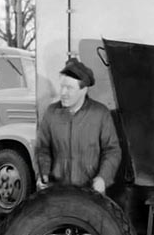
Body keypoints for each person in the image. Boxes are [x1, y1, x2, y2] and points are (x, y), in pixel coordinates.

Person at [35, 58, 121, 193]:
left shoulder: (100, 114)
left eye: (69, 88)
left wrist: (102, 178)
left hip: (90, 194)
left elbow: (112, 151)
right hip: (57, 192)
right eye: (62, 86)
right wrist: (43, 174)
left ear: (84, 90)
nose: (63, 93)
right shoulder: (51, 113)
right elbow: (42, 148)